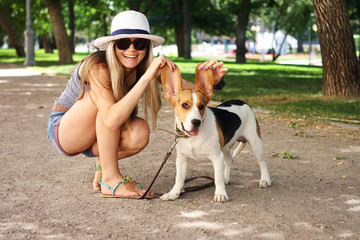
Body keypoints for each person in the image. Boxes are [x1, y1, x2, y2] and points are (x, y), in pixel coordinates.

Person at [47, 10, 228, 198]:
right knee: (103, 105)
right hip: (66, 131)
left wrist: (214, 81)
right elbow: (109, 118)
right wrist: (147, 77)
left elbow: (187, 92)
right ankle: (111, 180)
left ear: (147, 47)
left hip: (98, 134)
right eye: (123, 42)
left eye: (139, 44)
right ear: (112, 45)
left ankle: (104, 167)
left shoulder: (145, 66)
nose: (131, 49)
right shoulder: (98, 66)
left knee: (140, 131)